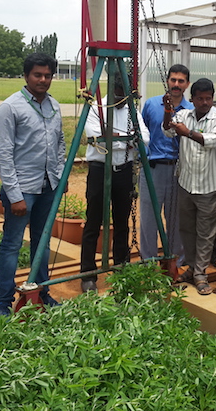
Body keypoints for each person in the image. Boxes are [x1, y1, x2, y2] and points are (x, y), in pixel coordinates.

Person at [0, 53, 65, 315]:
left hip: (48, 186)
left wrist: (59, 177)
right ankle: (3, 301)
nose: (43, 80)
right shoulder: (10, 108)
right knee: (11, 244)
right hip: (22, 188)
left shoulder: (54, 106)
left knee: (42, 243)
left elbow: (60, 143)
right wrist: (15, 196)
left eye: (47, 75)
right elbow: (3, 154)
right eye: (38, 74)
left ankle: (41, 292)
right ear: (26, 76)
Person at [80, 79, 149, 293]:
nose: (121, 99)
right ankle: (88, 273)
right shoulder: (96, 108)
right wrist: (126, 141)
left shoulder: (131, 110)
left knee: (122, 221)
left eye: (125, 95)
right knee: (93, 221)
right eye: (119, 94)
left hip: (124, 169)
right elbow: (97, 138)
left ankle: (121, 266)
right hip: (100, 169)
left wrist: (117, 139)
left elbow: (144, 138)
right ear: (112, 90)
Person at [163, 78, 216, 295]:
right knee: (187, 228)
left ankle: (200, 272)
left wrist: (188, 133)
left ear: (212, 98)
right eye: (200, 98)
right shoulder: (183, 115)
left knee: (206, 232)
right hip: (185, 182)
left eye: (208, 98)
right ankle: (191, 267)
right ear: (192, 99)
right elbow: (168, 131)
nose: (204, 102)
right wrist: (167, 111)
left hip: (208, 186)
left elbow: (212, 141)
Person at [139, 65, 192, 265]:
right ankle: (149, 262)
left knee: (176, 219)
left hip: (179, 170)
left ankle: (174, 262)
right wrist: (141, 158)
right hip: (152, 168)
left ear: (187, 84)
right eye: (173, 80)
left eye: (181, 81)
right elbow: (141, 134)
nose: (176, 84)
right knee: (149, 218)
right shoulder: (151, 105)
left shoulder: (191, 110)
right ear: (168, 81)